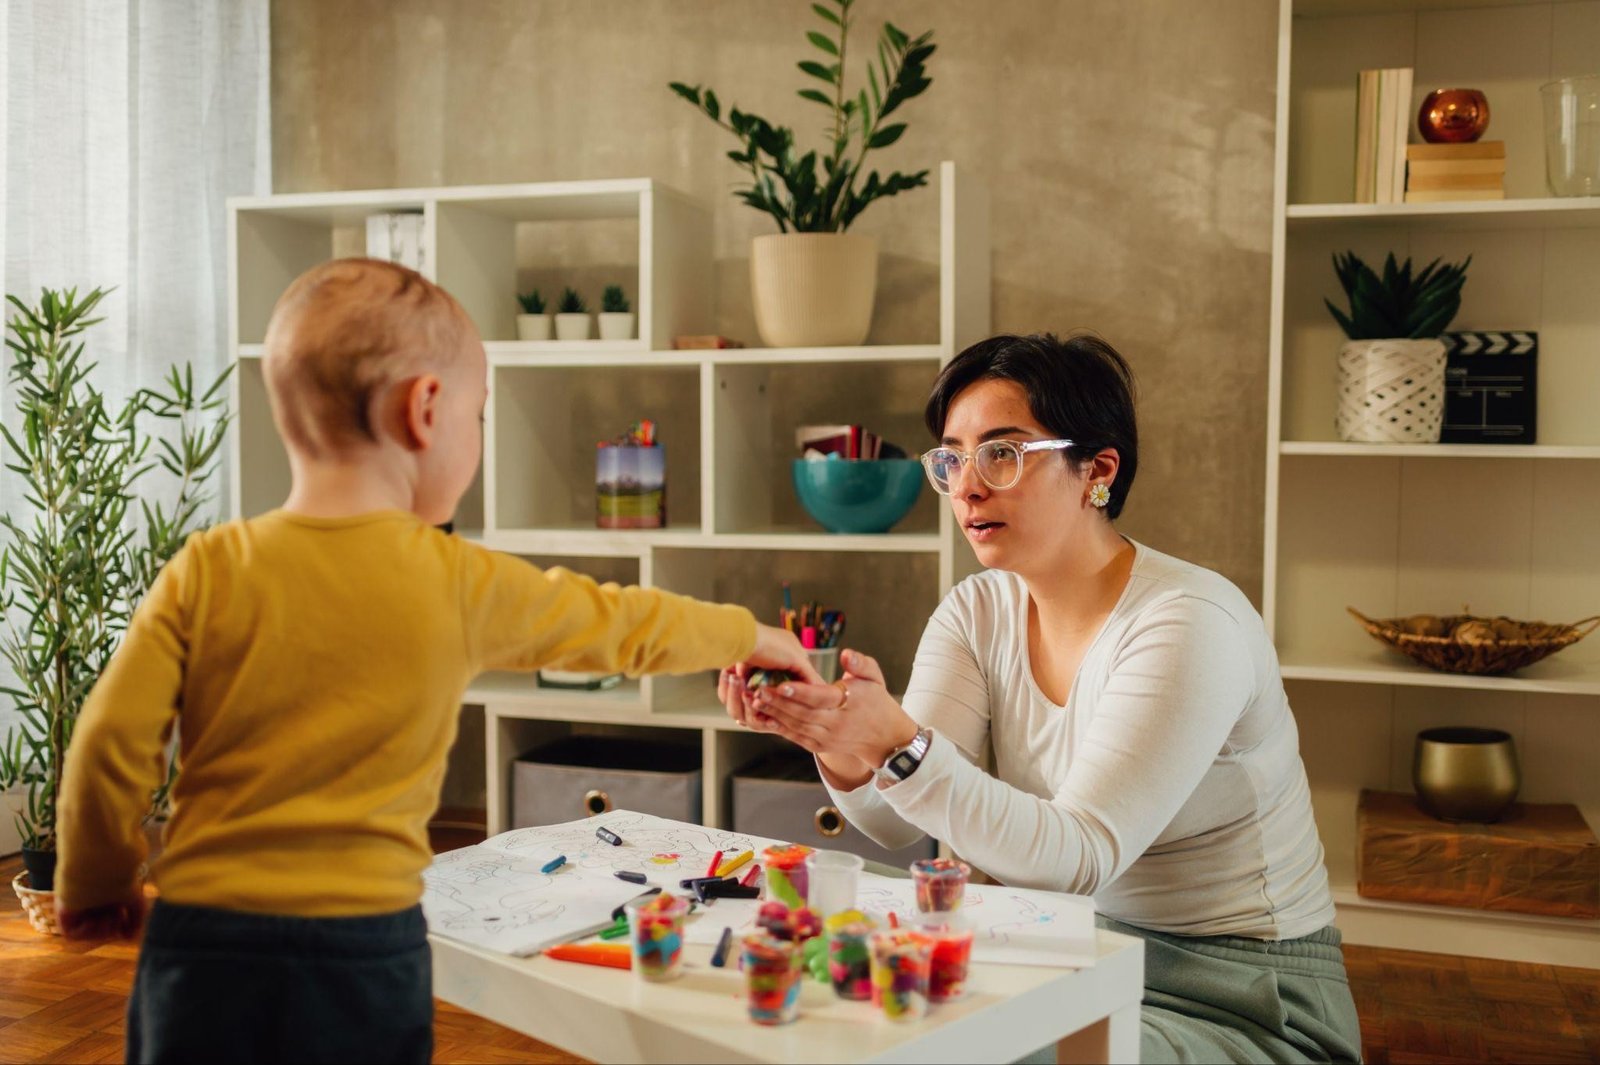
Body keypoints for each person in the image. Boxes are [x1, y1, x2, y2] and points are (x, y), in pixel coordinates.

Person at [55, 258, 818, 1064]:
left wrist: (96, 883)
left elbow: (107, 743)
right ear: (425, 409)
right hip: (359, 950)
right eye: (480, 414)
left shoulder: (207, 567)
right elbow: (624, 625)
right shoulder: (456, 581)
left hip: (202, 941)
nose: (479, 436)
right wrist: (753, 636)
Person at [722, 333, 1363, 1063]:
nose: (967, 485)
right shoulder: (975, 610)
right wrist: (837, 738)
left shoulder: (1188, 623)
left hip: (1239, 994)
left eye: (1002, 452)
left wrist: (898, 743)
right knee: (856, 1015)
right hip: (1061, 948)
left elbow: (1080, 856)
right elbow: (894, 825)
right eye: (953, 457)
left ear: (1097, 470)